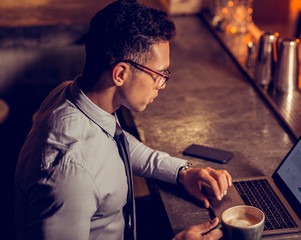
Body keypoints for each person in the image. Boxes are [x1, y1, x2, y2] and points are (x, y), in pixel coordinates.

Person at [14, 1, 232, 239]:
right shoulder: (71, 176)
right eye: (159, 75)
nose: (162, 86)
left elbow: (114, 142)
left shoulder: (73, 94)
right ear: (120, 74)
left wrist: (181, 172)